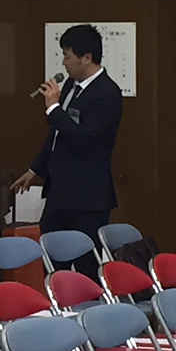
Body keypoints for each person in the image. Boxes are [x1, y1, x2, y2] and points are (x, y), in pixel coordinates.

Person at [10, 24, 122, 280]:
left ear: (87, 58)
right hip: (59, 193)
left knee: (86, 269)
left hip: (88, 198)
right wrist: (35, 169)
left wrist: (53, 109)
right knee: (51, 264)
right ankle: (56, 303)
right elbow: (58, 135)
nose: (63, 63)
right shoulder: (71, 84)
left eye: (67, 56)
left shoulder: (107, 94)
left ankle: (88, 307)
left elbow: (84, 139)